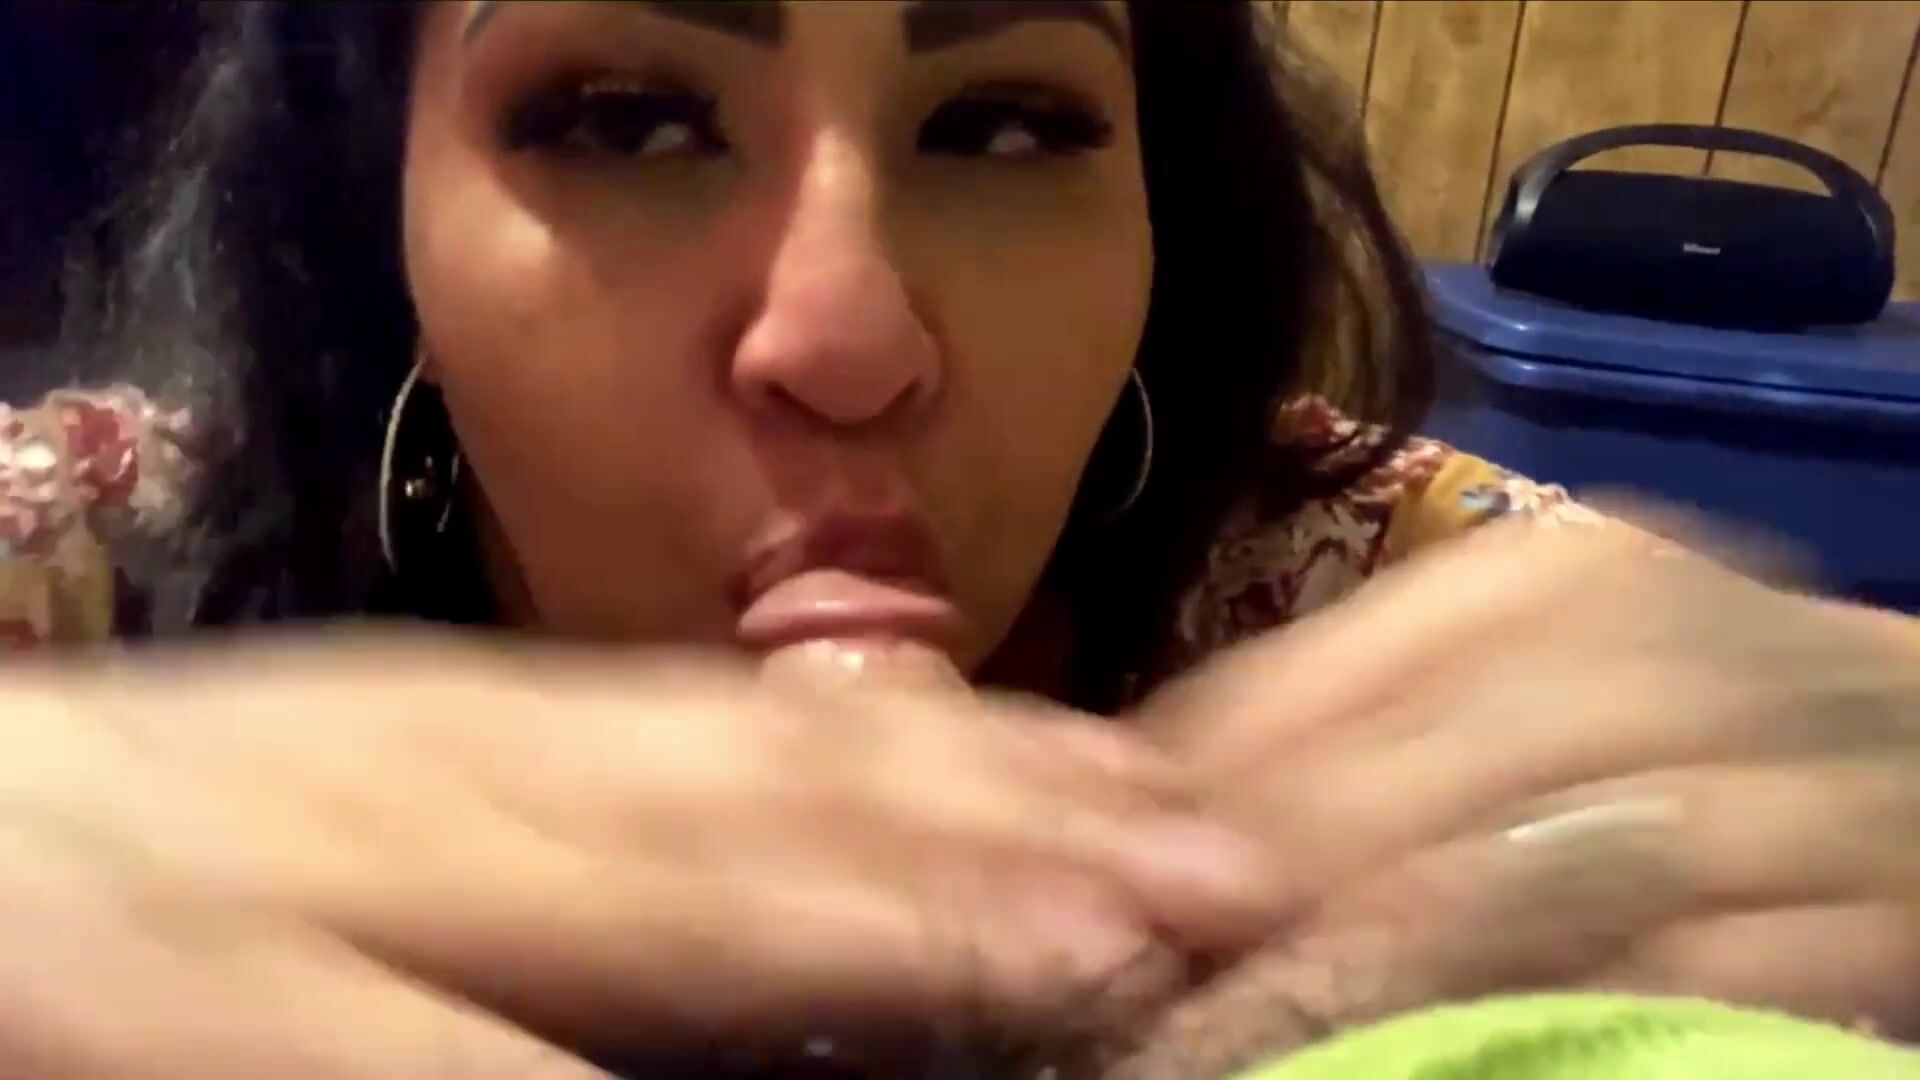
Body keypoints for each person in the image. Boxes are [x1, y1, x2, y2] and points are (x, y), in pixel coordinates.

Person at [1, 1, 1916, 1076]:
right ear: (378, 230)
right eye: (623, 117)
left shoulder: (1345, 576)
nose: (849, 340)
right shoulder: (102, 557)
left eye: (1003, 126)